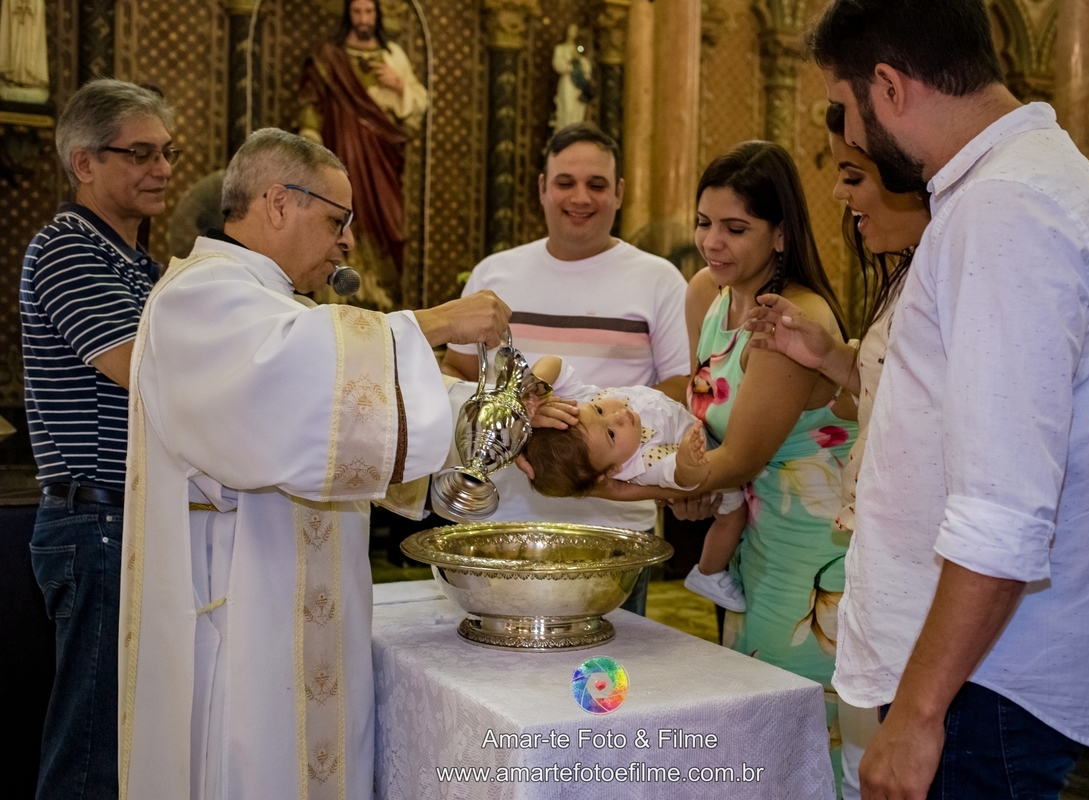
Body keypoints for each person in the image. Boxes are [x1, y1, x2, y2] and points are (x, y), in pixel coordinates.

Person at [809, 1, 1089, 797]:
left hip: (980, 687)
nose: (850, 135)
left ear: (888, 86)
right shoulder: (1001, 189)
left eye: (847, 106)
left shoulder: (1010, 205)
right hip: (974, 674)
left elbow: (1004, 509)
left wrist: (921, 712)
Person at [117, 128, 509, 800]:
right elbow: (296, 375)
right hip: (240, 614)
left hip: (293, 604)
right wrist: (437, 322)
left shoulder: (271, 305)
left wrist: (487, 415)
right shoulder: (200, 295)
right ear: (277, 202)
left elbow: (346, 410)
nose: (347, 242)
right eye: (336, 221)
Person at [641, 140, 857, 788]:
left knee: (797, 735)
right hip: (752, 545)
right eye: (704, 223)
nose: (712, 243)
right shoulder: (708, 293)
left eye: (736, 229)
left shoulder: (794, 318)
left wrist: (622, 479)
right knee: (756, 727)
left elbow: (740, 457)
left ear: (782, 233)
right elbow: (698, 407)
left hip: (816, 557)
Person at [747, 100, 930, 800]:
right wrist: (832, 357)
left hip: (914, 581)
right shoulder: (907, 275)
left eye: (855, 175)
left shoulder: (951, 274)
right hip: (875, 571)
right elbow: (892, 394)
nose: (840, 194)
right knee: (859, 772)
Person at [441, 122, 689, 615]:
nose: (580, 197)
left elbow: (678, 390)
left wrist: (605, 460)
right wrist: (517, 429)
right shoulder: (495, 273)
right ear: (541, 188)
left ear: (619, 193)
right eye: (565, 182)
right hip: (500, 518)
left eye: (597, 184)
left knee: (602, 683)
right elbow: (456, 377)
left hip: (612, 527)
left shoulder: (659, 279)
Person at [19, 78, 176, 800]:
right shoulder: (64, 247)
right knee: (92, 752)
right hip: (97, 522)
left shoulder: (143, 264)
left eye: (167, 152)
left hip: (132, 518)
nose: (163, 168)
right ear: (84, 162)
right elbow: (134, 366)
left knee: (135, 742)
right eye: (140, 153)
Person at [521, 356, 748, 610]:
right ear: (613, 470)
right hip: (713, 455)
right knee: (734, 513)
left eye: (599, 410)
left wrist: (532, 390)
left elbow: (554, 363)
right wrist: (687, 461)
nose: (617, 416)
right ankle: (709, 571)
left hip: (704, 422)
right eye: (611, 435)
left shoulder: (583, 409)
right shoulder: (642, 463)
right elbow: (683, 480)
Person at [299, 0, 428, 311]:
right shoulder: (329, 56)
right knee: (339, 212)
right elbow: (310, 100)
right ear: (348, 15)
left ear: (377, 15)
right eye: (357, 12)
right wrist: (311, 140)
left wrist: (399, 86)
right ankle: (342, 292)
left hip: (382, 156)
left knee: (389, 224)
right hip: (341, 150)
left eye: (368, 12)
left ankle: (381, 295)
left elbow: (417, 109)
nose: (363, 19)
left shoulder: (392, 56)